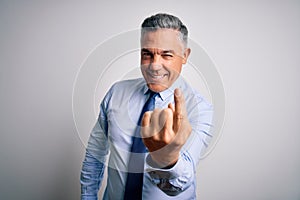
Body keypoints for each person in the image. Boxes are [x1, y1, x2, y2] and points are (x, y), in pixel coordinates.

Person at [80, 13, 213, 200]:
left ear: (185, 55)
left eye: (166, 54)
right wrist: (88, 197)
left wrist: (167, 159)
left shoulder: (199, 108)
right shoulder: (116, 93)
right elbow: (95, 153)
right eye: (147, 54)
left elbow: (179, 186)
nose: (154, 66)